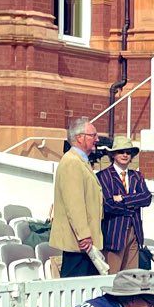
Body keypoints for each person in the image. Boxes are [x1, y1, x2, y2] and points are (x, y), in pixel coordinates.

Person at [50, 116, 104, 278]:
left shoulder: (81, 161)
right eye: (93, 135)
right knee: (75, 285)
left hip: (84, 242)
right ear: (80, 138)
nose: (97, 139)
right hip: (79, 244)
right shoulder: (72, 162)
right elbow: (74, 204)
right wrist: (84, 235)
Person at [98, 143, 152, 272]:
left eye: (128, 152)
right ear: (113, 154)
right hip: (114, 234)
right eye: (121, 152)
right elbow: (108, 205)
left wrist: (123, 198)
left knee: (131, 277)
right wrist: (134, 202)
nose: (125, 155)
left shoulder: (137, 176)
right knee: (112, 276)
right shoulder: (103, 176)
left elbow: (147, 198)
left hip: (134, 232)